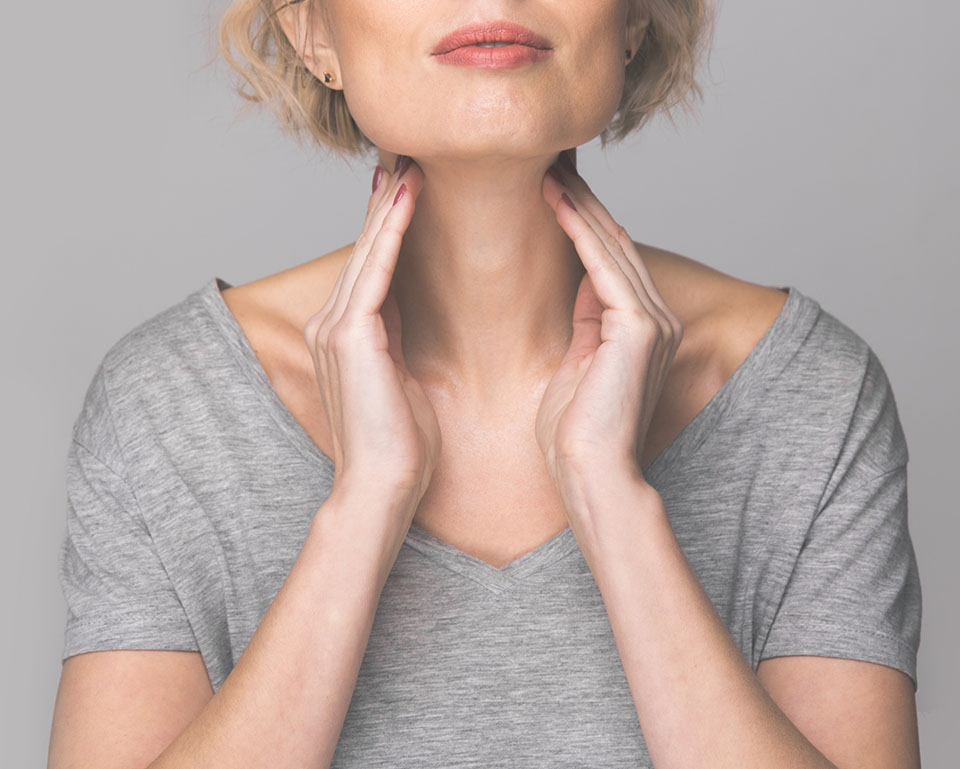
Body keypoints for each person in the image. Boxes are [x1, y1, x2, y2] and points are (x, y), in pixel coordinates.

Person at [48, 2, 922, 768]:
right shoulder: (165, 406)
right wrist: (364, 504)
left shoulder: (809, 393)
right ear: (311, 28)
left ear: (637, 17)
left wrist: (613, 500)